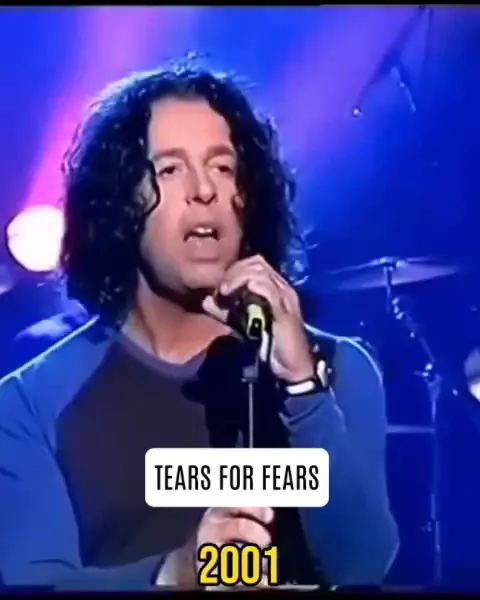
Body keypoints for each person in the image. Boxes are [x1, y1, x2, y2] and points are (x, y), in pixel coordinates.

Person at [0, 62, 398, 590]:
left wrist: (303, 389)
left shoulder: (338, 370)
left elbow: (362, 565)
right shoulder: (32, 400)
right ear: (121, 203)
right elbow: (32, 583)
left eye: (224, 167)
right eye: (169, 169)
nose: (204, 190)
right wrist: (176, 574)